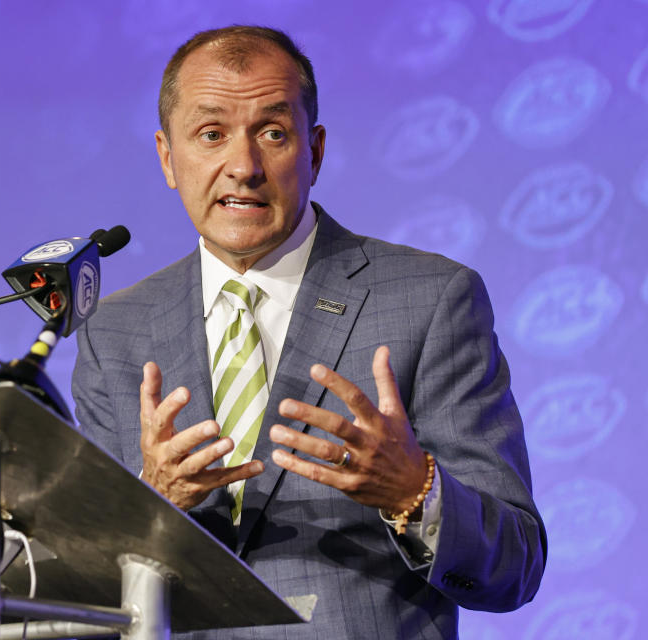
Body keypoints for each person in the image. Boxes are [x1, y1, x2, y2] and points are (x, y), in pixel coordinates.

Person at [72, 26, 545, 639]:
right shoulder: (116, 331)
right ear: (168, 156)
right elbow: (90, 583)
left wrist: (414, 491)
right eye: (211, 134)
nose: (243, 167)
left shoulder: (430, 299)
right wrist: (149, 503)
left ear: (314, 152)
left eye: (272, 133)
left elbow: (515, 565)